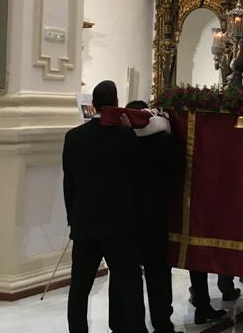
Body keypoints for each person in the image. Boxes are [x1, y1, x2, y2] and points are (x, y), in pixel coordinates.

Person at [62, 80, 144, 333]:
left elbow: (69, 182)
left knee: (79, 288)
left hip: (85, 223)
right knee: (129, 283)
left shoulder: (73, 137)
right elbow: (135, 178)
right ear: (116, 102)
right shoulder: (125, 136)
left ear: (93, 104)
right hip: (119, 224)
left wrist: (73, 217)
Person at [108, 101, 184, 333]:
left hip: (125, 215)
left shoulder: (120, 141)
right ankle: (162, 322)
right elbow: (180, 168)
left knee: (121, 273)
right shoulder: (163, 141)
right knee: (158, 272)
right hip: (155, 215)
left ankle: (119, 323)